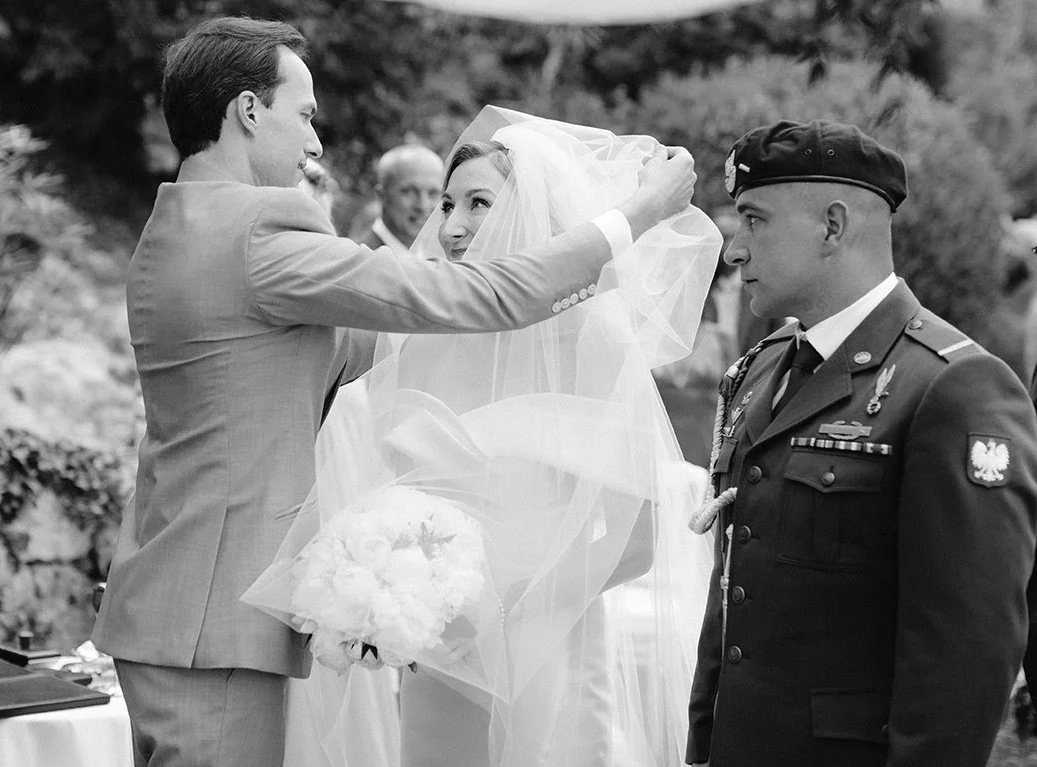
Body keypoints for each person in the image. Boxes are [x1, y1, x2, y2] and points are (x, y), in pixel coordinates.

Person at [90, 17, 698, 767]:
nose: (315, 143)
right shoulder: (256, 229)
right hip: (211, 623)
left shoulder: (177, 227)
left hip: (174, 602)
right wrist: (637, 214)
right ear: (248, 111)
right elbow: (458, 297)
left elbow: (364, 345)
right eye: (304, 115)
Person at [243, 107, 721, 766]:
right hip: (435, 654)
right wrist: (389, 588)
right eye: (447, 204)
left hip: (544, 651)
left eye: (478, 203)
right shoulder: (420, 337)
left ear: (532, 214)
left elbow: (636, 543)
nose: (452, 225)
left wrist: (502, 606)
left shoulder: (593, 344)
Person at [685, 119, 1037, 766]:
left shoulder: (951, 386)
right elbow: (733, 587)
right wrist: (703, 747)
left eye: (754, 221)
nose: (734, 250)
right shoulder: (761, 368)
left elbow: (963, 654)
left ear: (833, 226)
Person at [355, 143, 444, 258]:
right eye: (409, 192)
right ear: (382, 196)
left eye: (433, 193)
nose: (423, 206)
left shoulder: (441, 258)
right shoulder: (358, 260)